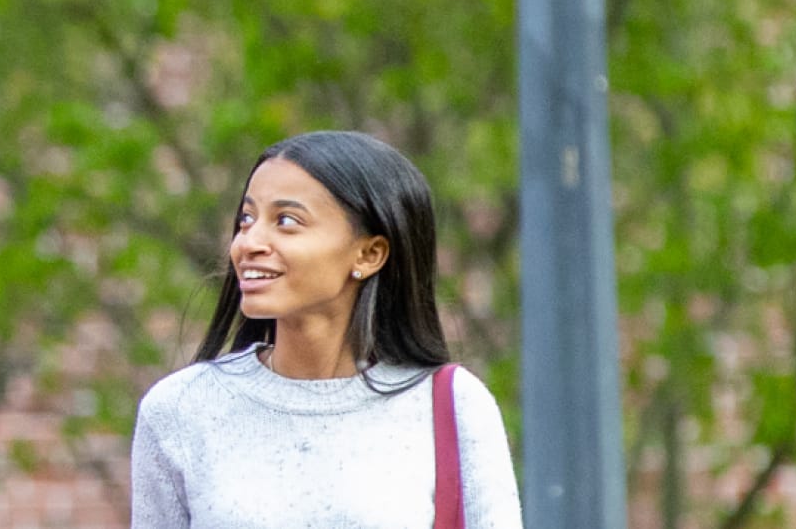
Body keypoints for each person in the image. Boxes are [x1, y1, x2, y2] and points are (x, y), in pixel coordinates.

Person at [128, 131, 523, 528]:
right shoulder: (181, 409)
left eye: (286, 221)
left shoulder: (453, 406)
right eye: (247, 219)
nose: (248, 243)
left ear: (370, 254)